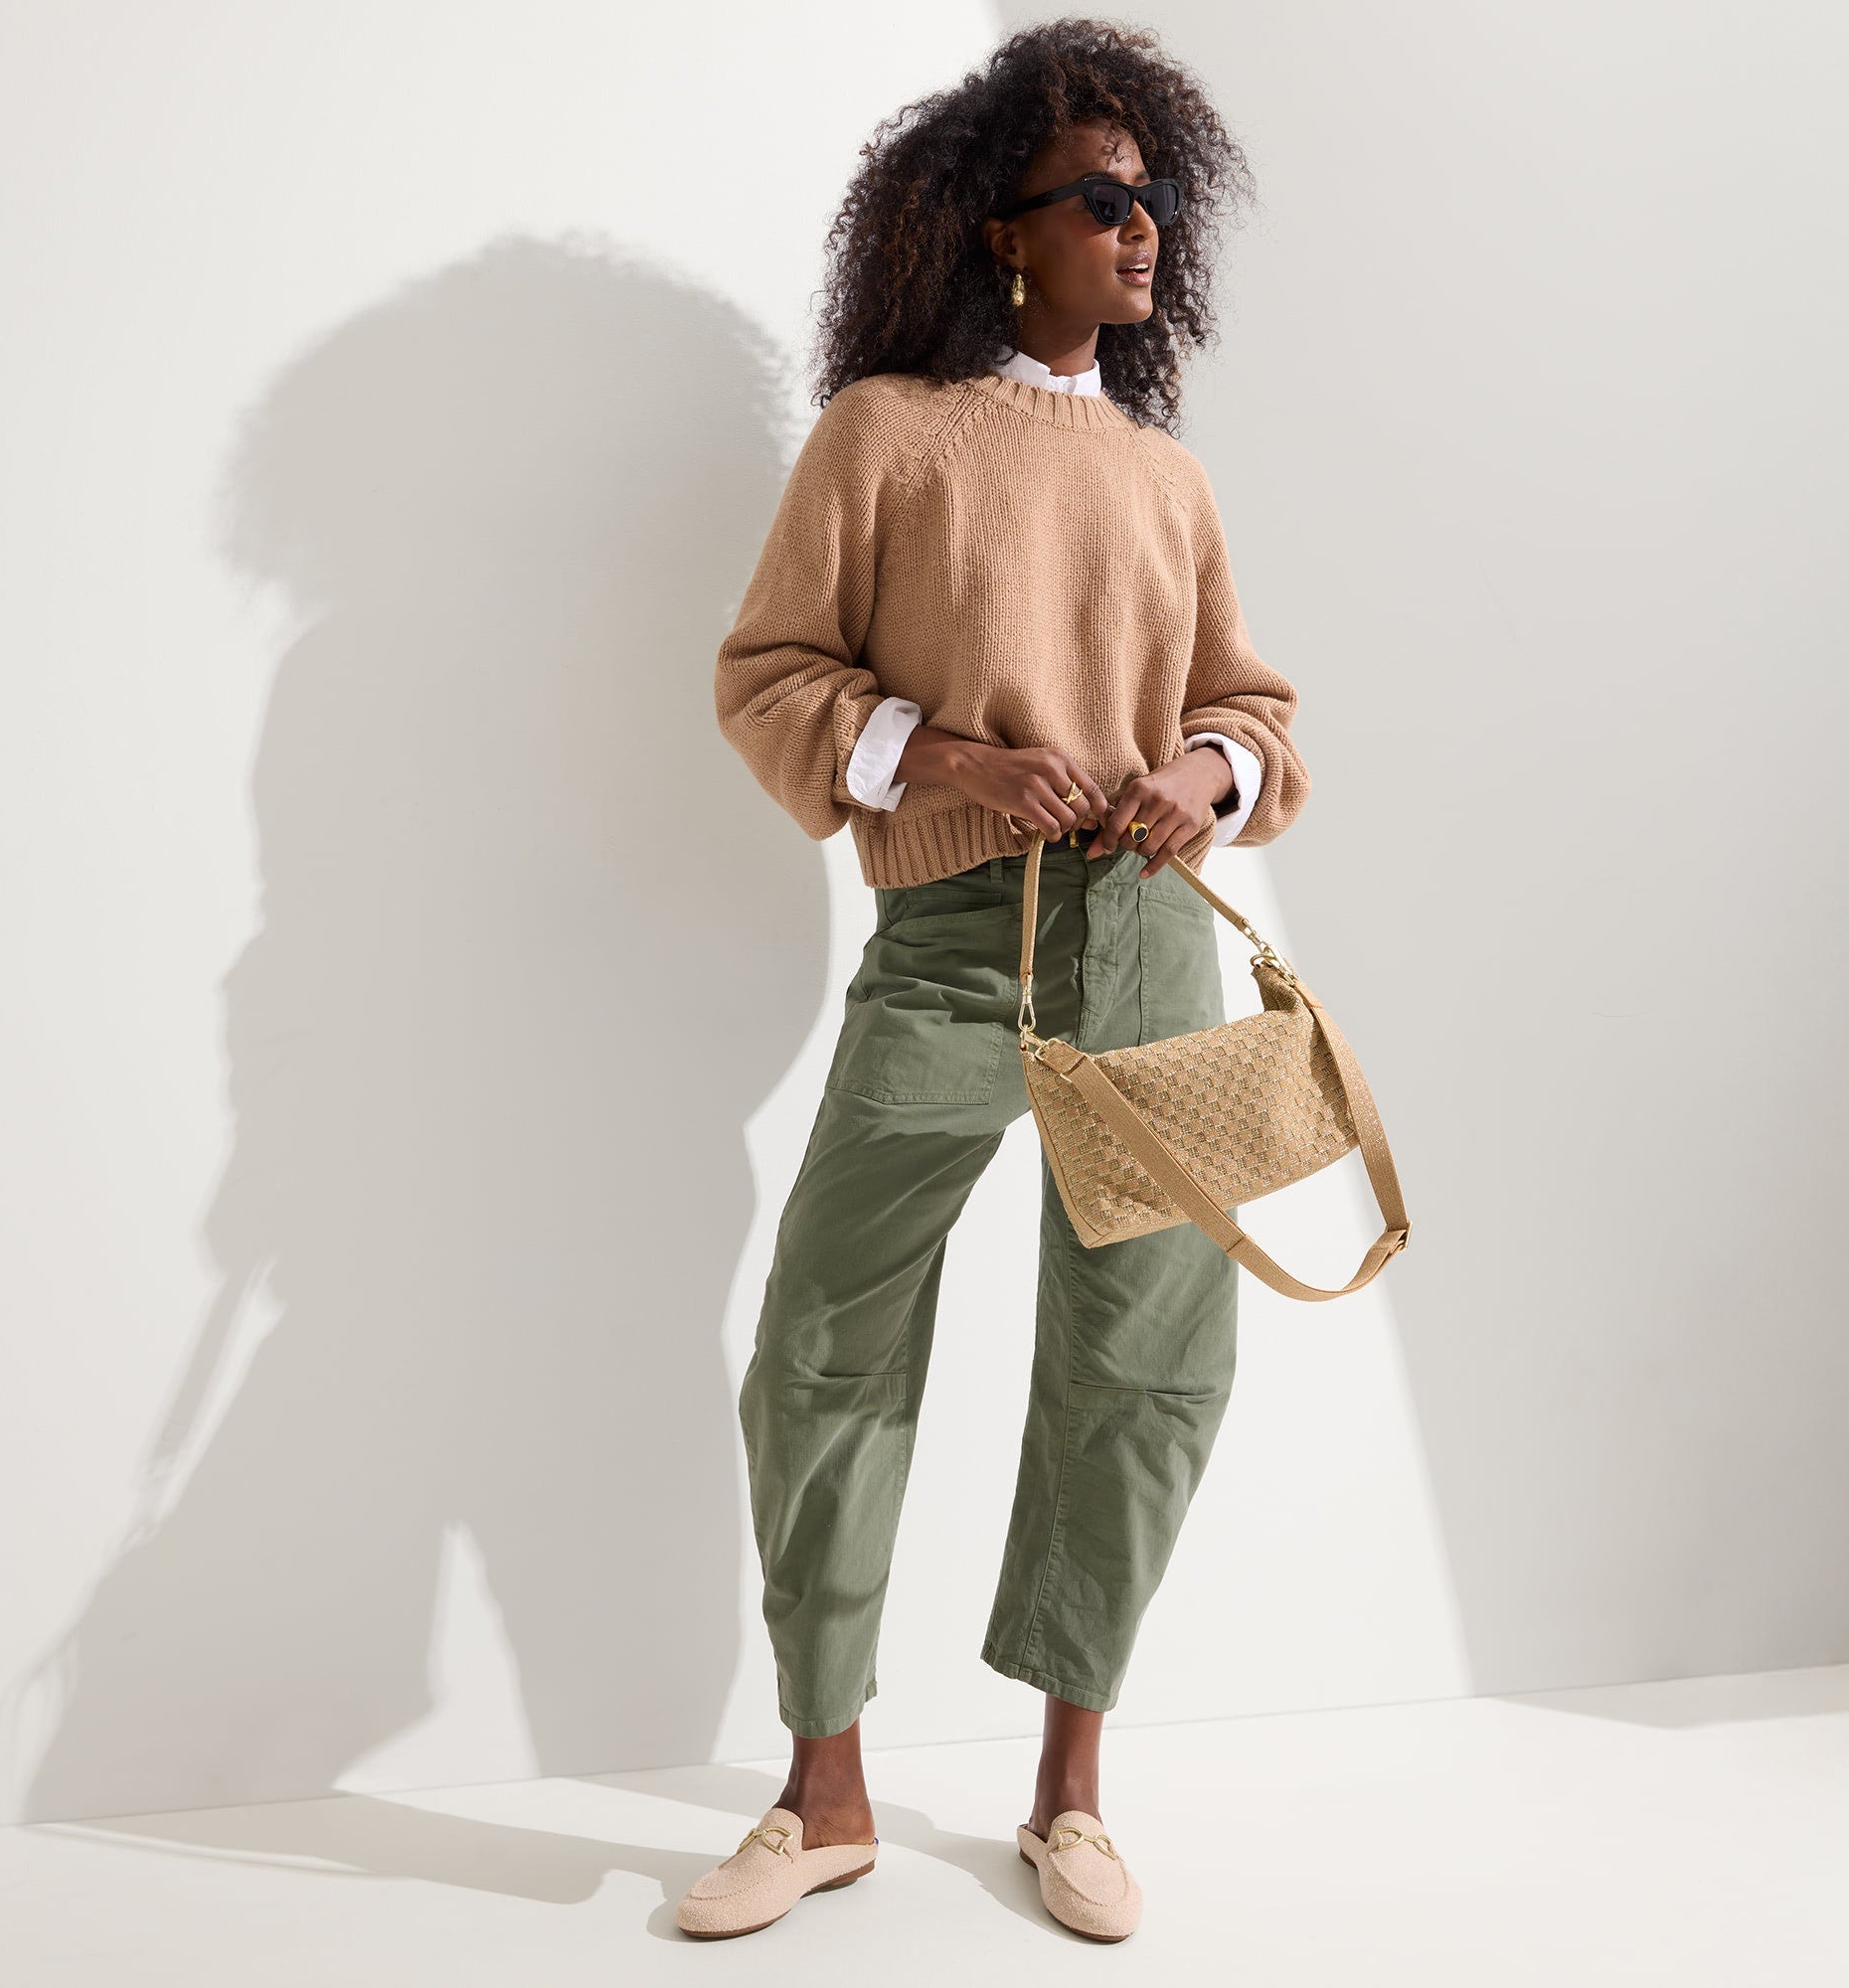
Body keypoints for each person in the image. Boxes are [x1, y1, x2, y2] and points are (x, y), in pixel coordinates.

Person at [678, 19, 1310, 1943]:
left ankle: (1071, 1795)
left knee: (1148, 1358)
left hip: (1149, 940)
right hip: (953, 946)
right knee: (824, 1337)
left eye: (1153, 198)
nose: (1140, 228)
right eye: (1100, 199)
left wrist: (1205, 774)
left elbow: (1254, 711)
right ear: (998, 229)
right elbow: (769, 677)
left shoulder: (1168, 481)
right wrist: (944, 759)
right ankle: (825, 1790)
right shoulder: (882, 437)